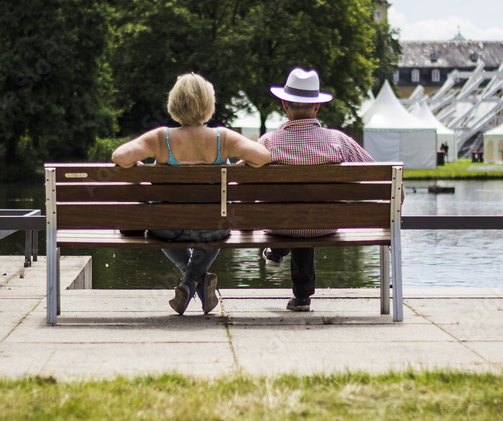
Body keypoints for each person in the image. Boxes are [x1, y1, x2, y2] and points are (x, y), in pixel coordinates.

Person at [112, 73, 271, 315]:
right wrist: (232, 171)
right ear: (208, 105)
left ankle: (189, 283)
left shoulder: (159, 137)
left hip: (167, 229)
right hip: (213, 226)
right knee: (218, 226)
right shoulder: (223, 138)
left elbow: (120, 157)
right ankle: (195, 281)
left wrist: (144, 170)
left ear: (174, 104)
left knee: (158, 228)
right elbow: (262, 157)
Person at [258, 68, 378, 312]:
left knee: (293, 215)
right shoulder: (339, 140)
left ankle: (278, 252)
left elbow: (239, 182)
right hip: (326, 223)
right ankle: (302, 296)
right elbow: (377, 176)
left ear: (284, 105)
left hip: (280, 223)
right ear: (316, 107)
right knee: (310, 214)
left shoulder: (268, 142)